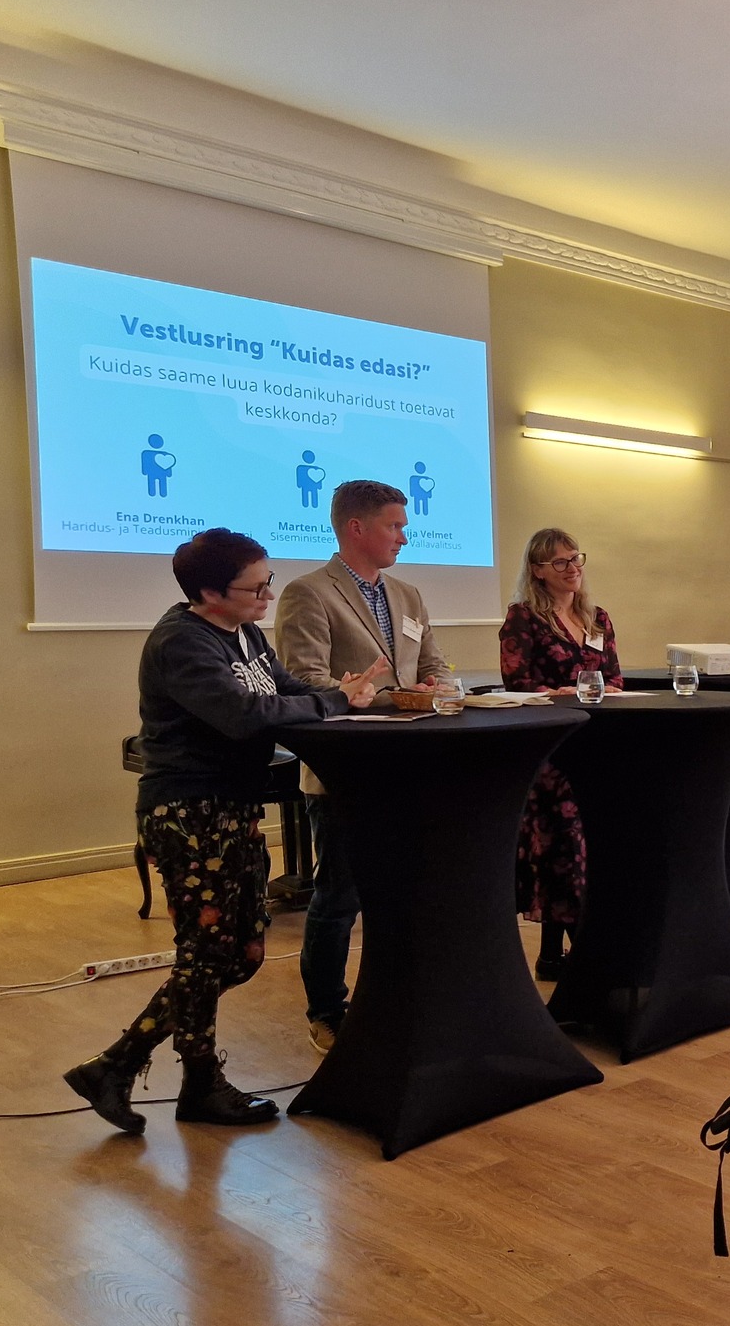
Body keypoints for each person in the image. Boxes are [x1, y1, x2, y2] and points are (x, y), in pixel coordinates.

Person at [64, 530, 385, 1134]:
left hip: (234, 808)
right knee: (206, 953)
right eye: (255, 588)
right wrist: (335, 704)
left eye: (269, 582)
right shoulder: (182, 641)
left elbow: (287, 691)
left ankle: (116, 1065)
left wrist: (341, 693)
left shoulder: (247, 633)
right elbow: (243, 715)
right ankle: (198, 1084)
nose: (269, 596)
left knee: (240, 955)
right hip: (189, 813)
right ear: (210, 593)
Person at [275, 479, 450, 1053]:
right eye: (394, 526)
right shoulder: (308, 593)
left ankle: (397, 998)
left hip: (411, 767)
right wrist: (388, 696)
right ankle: (327, 1011)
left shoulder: (408, 594)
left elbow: (434, 665)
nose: (404, 536)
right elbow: (305, 681)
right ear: (356, 528)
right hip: (346, 772)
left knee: (404, 893)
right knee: (339, 897)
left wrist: (437, 687)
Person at [500, 529, 623, 980]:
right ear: (537, 571)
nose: (573, 568)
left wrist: (607, 689)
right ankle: (587, 954)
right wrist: (559, 692)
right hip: (552, 751)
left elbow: (615, 677)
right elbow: (516, 683)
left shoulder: (597, 617)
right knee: (562, 848)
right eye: (560, 562)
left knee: (585, 847)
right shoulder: (524, 618)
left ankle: (553, 956)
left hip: (596, 746)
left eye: (575, 559)